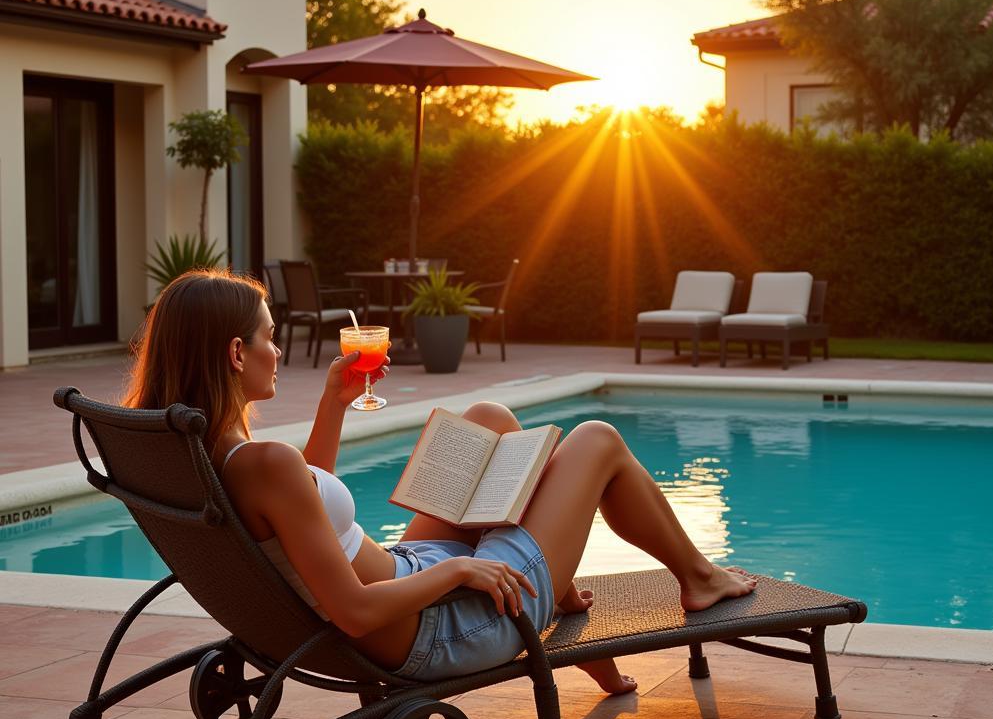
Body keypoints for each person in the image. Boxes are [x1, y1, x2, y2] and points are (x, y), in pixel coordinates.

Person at [125, 270, 755, 695]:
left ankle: (554, 587)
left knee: (487, 421)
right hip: (440, 629)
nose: (279, 351)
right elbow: (352, 609)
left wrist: (334, 405)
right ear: (237, 354)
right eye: (269, 337)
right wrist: (459, 573)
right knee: (596, 440)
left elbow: (302, 512)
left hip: (404, 577)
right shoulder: (263, 463)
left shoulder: (200, 455)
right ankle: (697, 579)